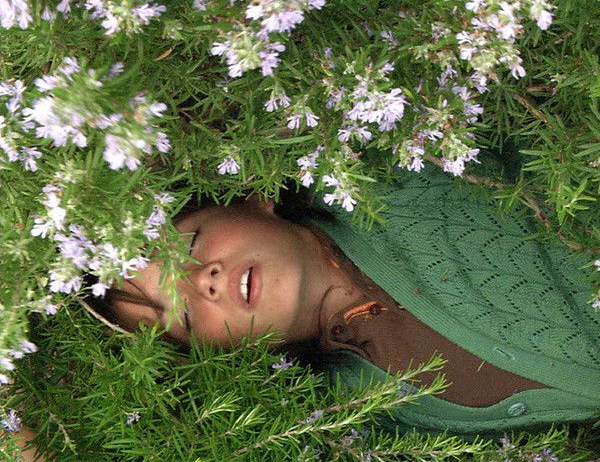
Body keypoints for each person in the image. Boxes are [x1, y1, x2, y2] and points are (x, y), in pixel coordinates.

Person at [10, 162, 600, 460]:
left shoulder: (393, 171)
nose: (202, 283)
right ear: (223, 355)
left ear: (251, 198)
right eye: (183, 317)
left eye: (189, 245)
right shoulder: (357, 413)